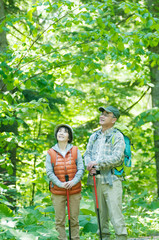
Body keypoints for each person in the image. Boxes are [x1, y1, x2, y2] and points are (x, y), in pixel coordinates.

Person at [84, 106, 128, 240]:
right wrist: (88, 165)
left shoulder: (118, 136)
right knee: (100, 214)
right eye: (101, 114)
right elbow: (87, 154)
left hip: (112, 180)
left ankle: (121, 237)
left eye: (106, 114)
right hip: (95, 179)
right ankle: (104, 237)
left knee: (115, 212)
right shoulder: (94, 136)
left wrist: (97, 163)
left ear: (114, 119)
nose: (101, 116)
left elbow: (117, 158)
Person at [46, 124, 84, 240]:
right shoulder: (51, 152)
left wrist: (73, 182)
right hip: (57, 191)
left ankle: (75, 238)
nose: (61, 133)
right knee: (59, 220)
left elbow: (81, 169)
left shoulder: (75, 150)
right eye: (59, 131)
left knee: (74, 219)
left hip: (74, 190)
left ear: (69, 137)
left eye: (65, 132)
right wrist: (60, 184)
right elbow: (49, 172)